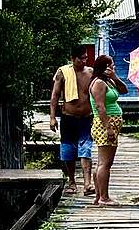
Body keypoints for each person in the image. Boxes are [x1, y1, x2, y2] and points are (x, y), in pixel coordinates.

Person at [49, 45, 94, 196]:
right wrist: (52, 117)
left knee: (86, 149)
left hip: (86, 117)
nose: (84, 61)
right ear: (72, 59)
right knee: (68, 151)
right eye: (81, 58)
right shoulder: (63, 72)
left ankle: (87, 183)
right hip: (68, 117)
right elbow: (55, 95)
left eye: (85, 58)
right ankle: (72, 181)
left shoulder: (90, 73)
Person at [89, 54, 127, 206]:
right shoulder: (98, 83)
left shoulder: (109, 81)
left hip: (112, 121)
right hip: (105, 123)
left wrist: (115, 77)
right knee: (105, 163)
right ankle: (104, 197)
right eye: (111, 64)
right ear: (104, 67)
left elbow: (124, 90)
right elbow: (100, 107)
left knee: (102, 162)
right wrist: (109, 128)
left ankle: (99, 196)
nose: (114, 66)